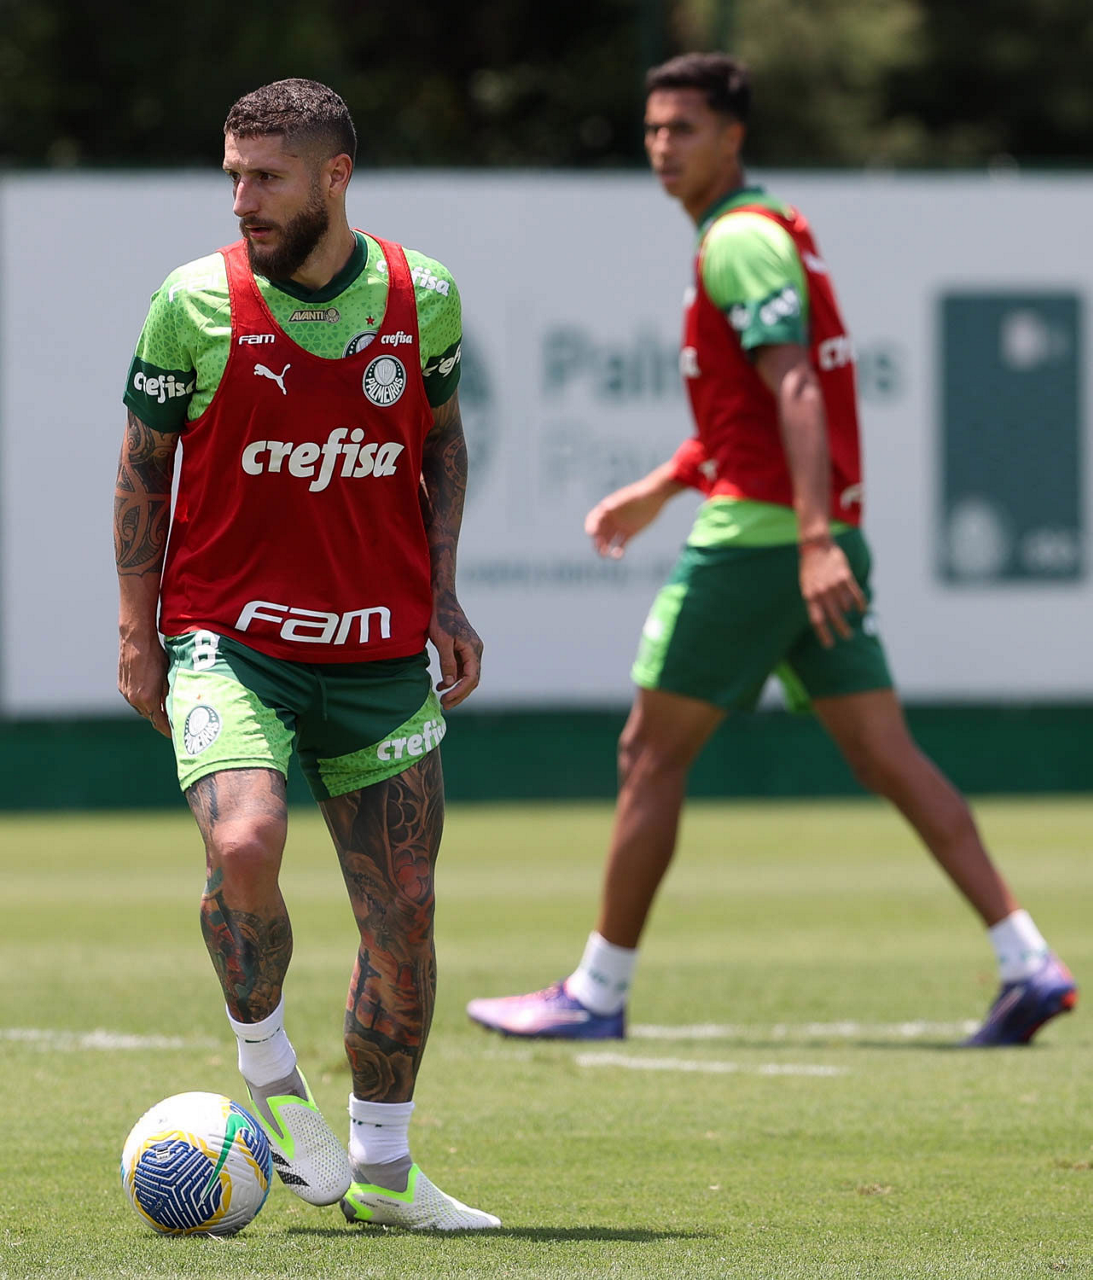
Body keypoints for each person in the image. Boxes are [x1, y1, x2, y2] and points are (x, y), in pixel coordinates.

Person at [466, 52, 1076, 1049]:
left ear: (733, 137)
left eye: (684, 129)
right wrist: (670, 485)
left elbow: (795, 386)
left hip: (761, 543)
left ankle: (596, 991)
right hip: (809, 536)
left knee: (647, 752)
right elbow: (750, 410)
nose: (662, 146)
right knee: (885, 755)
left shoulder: (739, 241)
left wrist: (807, 537)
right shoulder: (765, 231)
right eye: (653, 129)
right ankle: (1027, 960)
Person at [115, 78, 499, 1230]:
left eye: (266, 177)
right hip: (229, 643)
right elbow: (143, 468)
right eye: (233, 175)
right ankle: (268, 1067)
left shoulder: (423, 298)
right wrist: (138, 631)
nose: (242, 199)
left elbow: (441, 446)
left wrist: (444, 595)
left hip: (377, 654)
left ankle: (384, 1169)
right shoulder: (192, 303)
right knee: (244, 840)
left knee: (405, 913)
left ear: (335, 175)